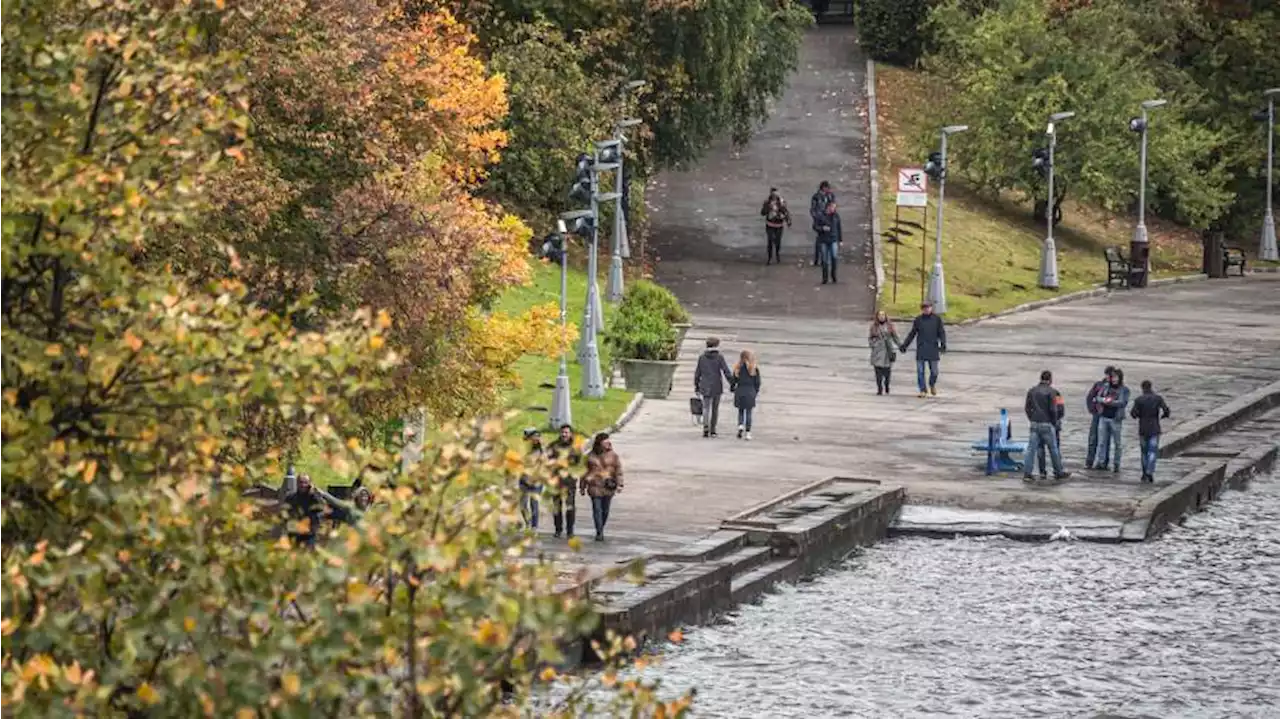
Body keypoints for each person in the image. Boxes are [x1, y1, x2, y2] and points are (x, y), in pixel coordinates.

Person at [1023, 370, 1071, 483]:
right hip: (1047, 423)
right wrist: (1054, 422)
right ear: (1050, 380)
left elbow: (1027, 408)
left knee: (1032, 449)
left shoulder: (1032, 391)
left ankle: (1028, 473)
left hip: (1034, 423)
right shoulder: (1053, 392)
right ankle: (1058, 472)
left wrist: (1032, 418)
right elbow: (1055, 409)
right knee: (1053, 449)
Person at [898, 301, 947, 398]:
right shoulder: (918, 320)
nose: (926, 309)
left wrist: (943, 344)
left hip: (933, 348)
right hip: (921, 348)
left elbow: (941, 332)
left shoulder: (937, 319)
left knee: (934, 371)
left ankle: (932, 384)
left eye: (928, 307)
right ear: (922, 309)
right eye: (924, 308)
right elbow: (912, 334)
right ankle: (922, 390)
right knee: (920, 371)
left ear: (931, 308)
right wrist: (905, 345)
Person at [581, 433, 623, 541]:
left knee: (605, 510)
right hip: (594, 486)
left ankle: (601, 527)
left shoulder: (613, 455)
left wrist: (620, 484)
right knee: (597, 510)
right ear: (599, 442)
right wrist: (582, 486)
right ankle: (599, 531)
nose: (608, 442)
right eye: (605, 441)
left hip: (608, 487)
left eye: (608, 440)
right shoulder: (590, 456)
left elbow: (618, 471)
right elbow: (584, 472)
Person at [1130, 380, 1172, 483]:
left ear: (1142, 388)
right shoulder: (1158, 398)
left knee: (1144, 452)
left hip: (1143, 428)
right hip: (1154, 427)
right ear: (1151, 387)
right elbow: (1166, 410)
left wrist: (1140, 415)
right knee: (1152, 451)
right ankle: (1150, 471)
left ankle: (1144, 473)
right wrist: (1163, 415)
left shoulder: (1139, 400)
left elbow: (1133, 414)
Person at [545, 424, 582, 538]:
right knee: (557, 507)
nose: (564, 434)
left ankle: (570, 530)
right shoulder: (553, 446)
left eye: (566, 432)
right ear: (560, 433)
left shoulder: (575, 448)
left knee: (570, 506)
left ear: (570, 433)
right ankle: (558, 529)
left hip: (569, 482)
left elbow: (579, 463)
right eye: (563, 432)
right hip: (556, 481)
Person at [694, 337, 733, 438]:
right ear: (716, 345)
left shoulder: (702, 357)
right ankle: (713, 430)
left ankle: (705, 428)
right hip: (716, 385)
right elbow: (726, 371)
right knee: (715, 409)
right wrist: (733, 382)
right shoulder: (719, 357)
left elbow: (698, 373)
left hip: (705, 385)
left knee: (706, 407)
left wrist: (696, 386)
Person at [1093, 368, 1130, 472]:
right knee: (1101, 442)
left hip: (1115, 419)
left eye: (1116, 377)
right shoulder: (1105, 386)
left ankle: (1116, 464)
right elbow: (1098, 398)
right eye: (1112, 377)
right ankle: (1101, 462)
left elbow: (1122, 402)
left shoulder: (1124, 389)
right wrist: (1104, 400)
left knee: (1117, 443)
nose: (1114, 379)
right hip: (1104, 417)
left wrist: (1110, 402)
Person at [1085, 366, 1117, 468]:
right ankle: (1089, 461)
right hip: (1098, 414)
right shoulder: (1099, 385)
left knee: (1105, 440)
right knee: (1093, 438)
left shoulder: (1115, 387)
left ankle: (1104, 462)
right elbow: (1090, 397)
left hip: (1108, 415)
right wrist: (1093, 409)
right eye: (1109, 375)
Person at [286, 473, 326, 547]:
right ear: (297, 483)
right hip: (294, 533)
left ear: (309, 484)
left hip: (309, 533)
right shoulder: (291, 498)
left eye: (305, 482)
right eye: (300, 482)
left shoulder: (314, 498)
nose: (303, 485)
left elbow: (322, 509)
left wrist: (314, 492)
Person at [731, 349, 762, 440]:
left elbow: (733, 380)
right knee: (748, 412)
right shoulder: (754, 369)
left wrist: (732, 388)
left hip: (740, 390)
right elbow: (757, 382)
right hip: (750, 391)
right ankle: (748, 432)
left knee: (740, 411)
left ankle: (740, 425)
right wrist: (756, 391)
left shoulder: (737, 368)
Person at [868, 310, 900, 395]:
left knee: (887, 371)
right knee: (878, 371)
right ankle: (879, 388)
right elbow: (870, 338)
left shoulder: (890, 326)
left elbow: (895, 337)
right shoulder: (874, 326)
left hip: (887, 350)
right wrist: (873, 344)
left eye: (883, 315)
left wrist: (901, 346)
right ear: (877, 316)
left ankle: (886, 385)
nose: (881, 317)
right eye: (880, 315)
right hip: (877, 351)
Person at [518, 427, 544, 530]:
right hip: (524, 480)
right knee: (523, 505)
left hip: (536, 482)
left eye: (537, 437)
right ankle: (527, 523)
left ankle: (534, 526)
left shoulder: (541, 450)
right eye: (533, 437)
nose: (535, 439)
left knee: (534, 504)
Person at [760, 188, 792, 265]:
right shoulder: (767, 202)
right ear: (771, 194)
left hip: (779, 225)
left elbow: (786, 212)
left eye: (776, 194)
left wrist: (788, 221)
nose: (774, 195)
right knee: (770, 241)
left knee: (777, 242)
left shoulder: (781, 202)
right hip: (770, 225)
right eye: (773, 194)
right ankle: (770, 258)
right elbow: (762, 213)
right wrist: (768, 207)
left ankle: (777, 254)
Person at [814, 200, 842, 284]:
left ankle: (833, 275)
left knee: (834, 257)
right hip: (823, 240)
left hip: (833, 239)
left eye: (835, 207)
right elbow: (815, 226)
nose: (834, 209)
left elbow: (839, 228)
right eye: (832, 207)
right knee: (824, 259)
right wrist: (822, 228)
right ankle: (825, 277)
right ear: (828, 207)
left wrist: (840, 240)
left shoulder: (836, 216)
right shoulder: (820, 216)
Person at [809, 181, 835, 265]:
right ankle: (818, 258)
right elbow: (813, 209)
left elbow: (833, 206)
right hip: (820, 221)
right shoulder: (816, 197)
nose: (829, 190)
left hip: (828, 219)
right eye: (827, 188)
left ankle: (824, 258)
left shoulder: (830, 196)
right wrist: (816, 218)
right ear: (823, 188)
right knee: (820, 240)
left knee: (826, 239)